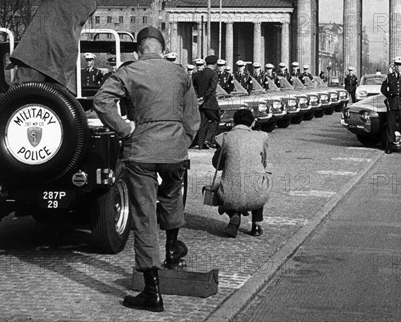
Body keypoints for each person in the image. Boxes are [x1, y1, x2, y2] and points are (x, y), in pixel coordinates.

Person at [93, 27, 200, 313]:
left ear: (138, 50)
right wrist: (183, 140)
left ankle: (152, 292)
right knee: (172, 196)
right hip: (175, 151)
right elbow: (193, 116)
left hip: (141, 151)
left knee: (143, 215)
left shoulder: (129, 71)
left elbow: (101, 101)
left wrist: (125, 129)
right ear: (162, 49)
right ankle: (173, 251)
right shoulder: (180, 73)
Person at [10, 0, 98, 95]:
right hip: (63, 60)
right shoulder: (93, 2)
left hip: (40, 50)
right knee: (50, 104)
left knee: (19, 96)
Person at [212, 109, 271, 238]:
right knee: (260, 182)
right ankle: (256, 225)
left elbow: (217, 165)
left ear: (234, 122)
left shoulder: (225, 138)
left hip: (229, 194)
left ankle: (234, 216)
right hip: (256, 194)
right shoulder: (261, 137)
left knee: (225, 187)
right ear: (253, 123)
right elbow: (264, 163)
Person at [192, 55, 221, 150]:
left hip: (200, 103)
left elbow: (194, 87)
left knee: (203, 122)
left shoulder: (197, 74)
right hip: (210, 102)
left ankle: (200, 144)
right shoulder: (213, 74)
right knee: (216, 120)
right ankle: (208, 140)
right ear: (215, 64)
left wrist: (198, 97)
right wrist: (204, 98)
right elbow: (211, 88)